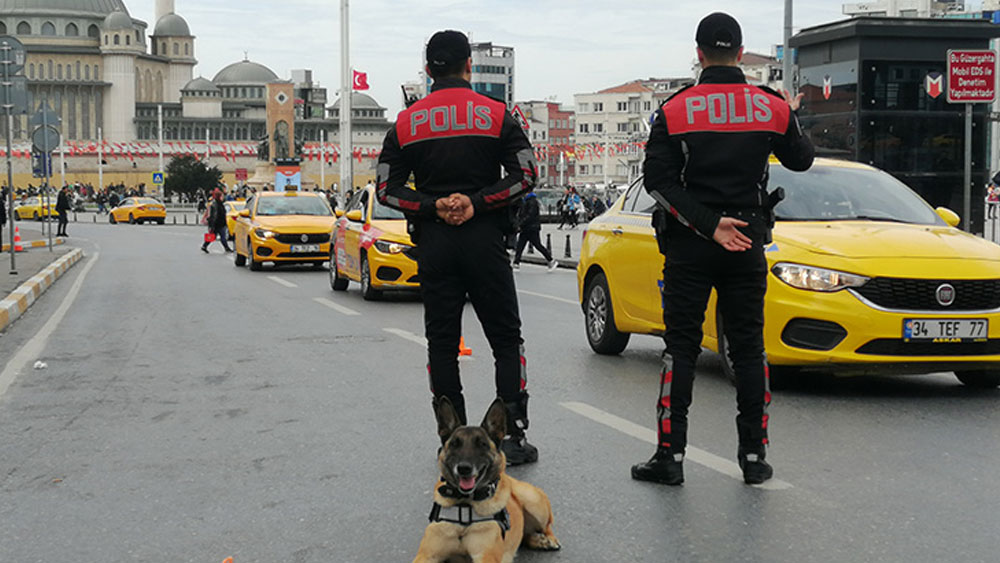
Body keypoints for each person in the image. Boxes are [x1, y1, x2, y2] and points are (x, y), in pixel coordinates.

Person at [631, 12, 815, 487]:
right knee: (750, 349)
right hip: (748, 241)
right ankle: (754, 456)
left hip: (691, 243)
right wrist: (791, 115)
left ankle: (669, 457)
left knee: (682, 349)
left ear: (698, 54)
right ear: (739, 51)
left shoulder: (676, 109)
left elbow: (657, 181)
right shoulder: (769, 106)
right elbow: (802, 159)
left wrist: (709, 225)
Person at [376, 30, 540, 465]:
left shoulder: (407, 123)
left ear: (428, 70)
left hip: (435, 243)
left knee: (442, 344)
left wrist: (432, 206)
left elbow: (385, 191)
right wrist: (478, 202)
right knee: (506, 340)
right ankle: (513, 437)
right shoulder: (496, 114)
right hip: (485, 238)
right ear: (469, 65)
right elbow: (526, 175)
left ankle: (452, 439)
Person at [512, 192, 558, 272]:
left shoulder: (532, 202)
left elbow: (530, 215)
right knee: (520, 245)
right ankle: (516, 263)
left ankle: (551, 260)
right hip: (527, 227)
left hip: (532, 227)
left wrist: (521, 223)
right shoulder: (527, 201)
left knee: (537, 245)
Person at [201, 189, 232, 253]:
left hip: (219, 223)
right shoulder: (215, 204)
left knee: (213, 236)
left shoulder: (219, 203)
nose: (223, 197)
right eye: (222, 196)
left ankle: (204, 246)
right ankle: (226, 248)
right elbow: (215, 215)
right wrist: (213, 224)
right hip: (218, 224)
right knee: (221, 236)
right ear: (219, 196)